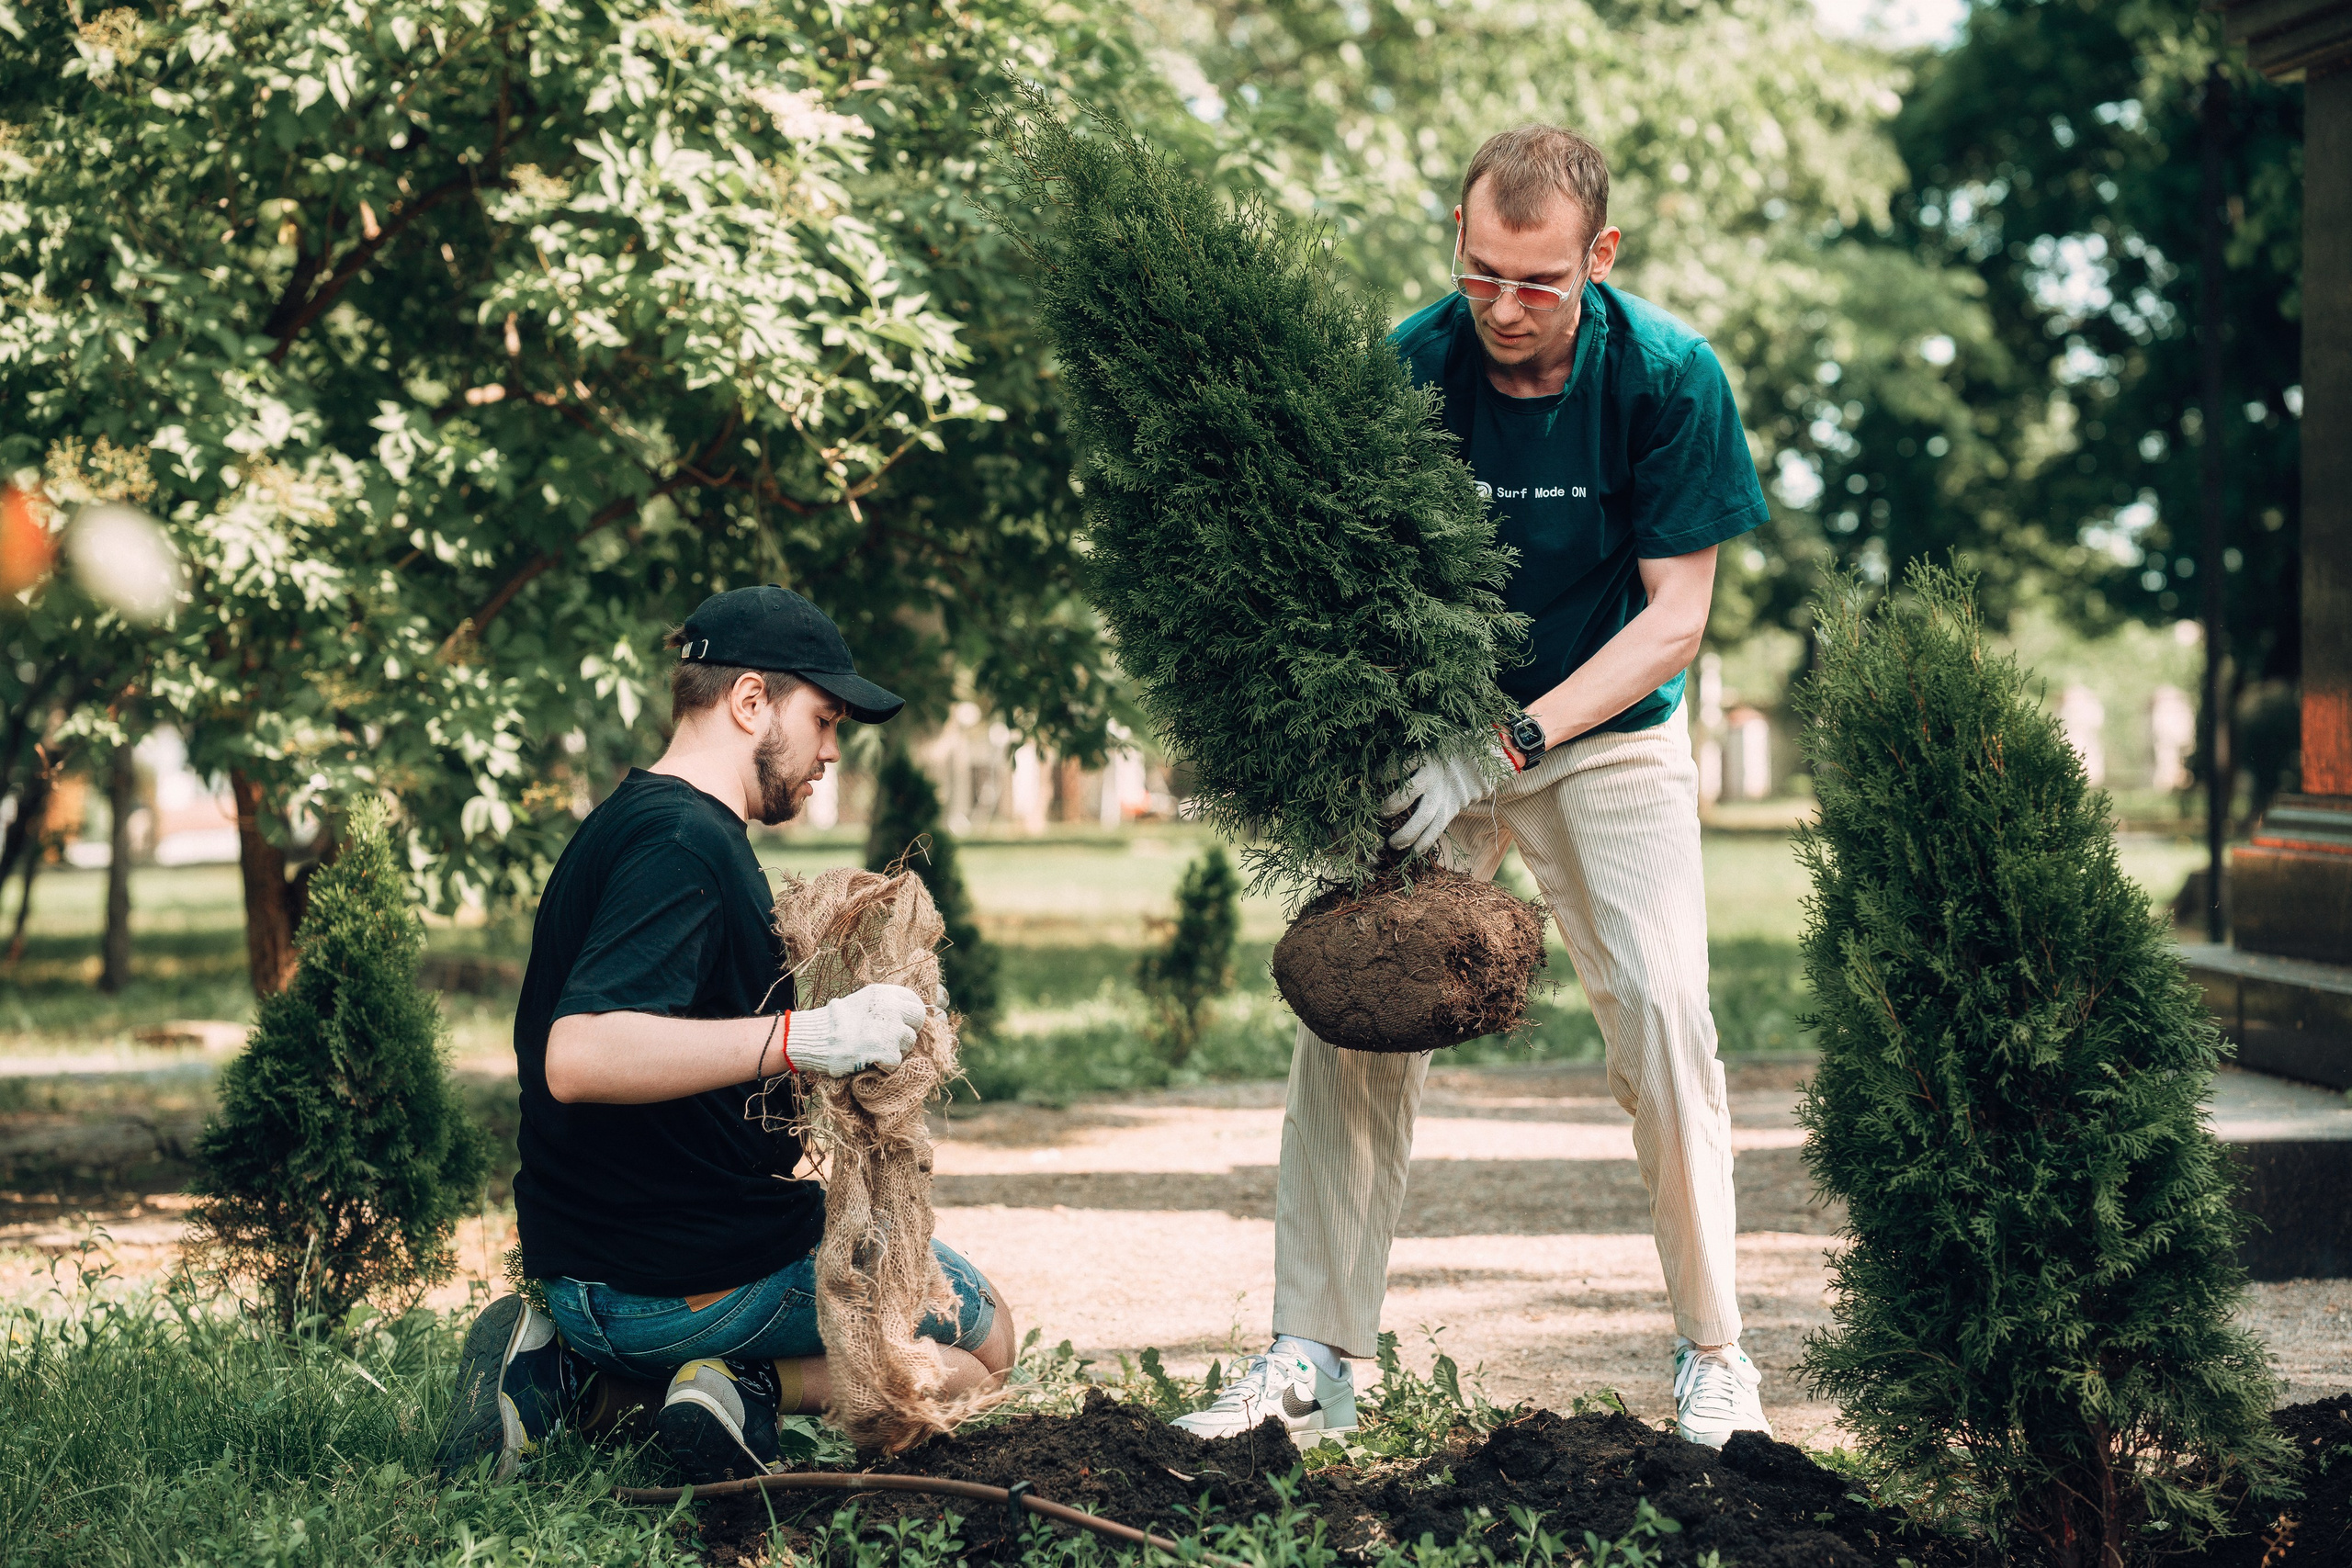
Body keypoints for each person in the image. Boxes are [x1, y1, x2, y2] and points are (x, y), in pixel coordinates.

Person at [1171, 126, 1771, 1449]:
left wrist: (1505, 746)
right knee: (1355, 1004)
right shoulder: (1409, 367)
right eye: (1481, 270)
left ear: (1599, 256)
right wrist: (1392, 737)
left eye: (1537, 281)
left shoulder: (1668, 377)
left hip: (1604, 730)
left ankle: (1717, 1354)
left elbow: (1675, 621)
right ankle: (1315, 1353)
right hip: (1432, 738)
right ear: (1458, 234)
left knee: (1664, 1011)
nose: (1503, 306)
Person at [433, 584, 1016, 1483]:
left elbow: (690, 1054)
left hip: (585, 1275)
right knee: (987, 1349)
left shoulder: (629, 824)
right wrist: (802, 1036)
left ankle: (570, 1384)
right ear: (750, 701)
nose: (831, 751)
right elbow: (580, 1055)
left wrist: (856, 1035)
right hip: (690, 1280)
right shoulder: (681, 845)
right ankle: (745, 1387)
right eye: (823, 719)